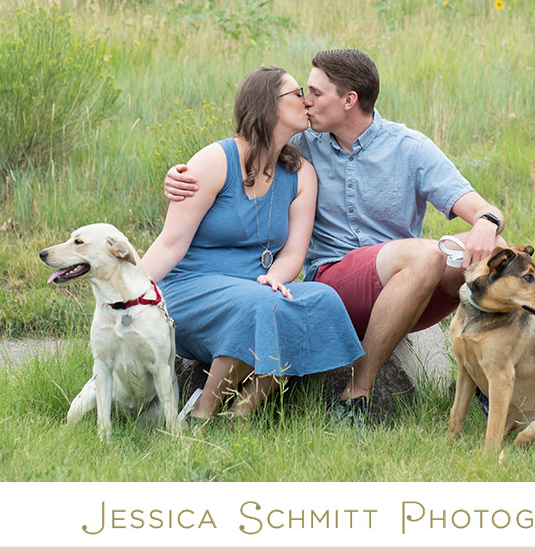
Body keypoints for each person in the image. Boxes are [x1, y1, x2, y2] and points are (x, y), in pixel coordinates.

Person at [164, 49, 506, 425]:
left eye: (314, 92)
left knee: (498, 256)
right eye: (302, 92)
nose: (306, 102)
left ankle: (493, 387)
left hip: (407, 286)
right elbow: (248, 145)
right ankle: (356, 395)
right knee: (425, 255)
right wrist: (181, 175)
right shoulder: (303, 145)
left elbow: (482, 209)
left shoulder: (409, 147)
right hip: (340, 278)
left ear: (348, 100)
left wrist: (488, 223)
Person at [141, 65, 364, 423]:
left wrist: (275, 278)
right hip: (192, 289)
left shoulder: (301, 173)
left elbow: (294, 252)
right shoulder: (215, 161)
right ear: (268, 105)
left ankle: (242, 412)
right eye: (296, 94)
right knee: (262, 305)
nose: (307, 101)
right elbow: (170, 243)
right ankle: (201, 413)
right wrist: (128, 294)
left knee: (322, 299)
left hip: (258, 287)